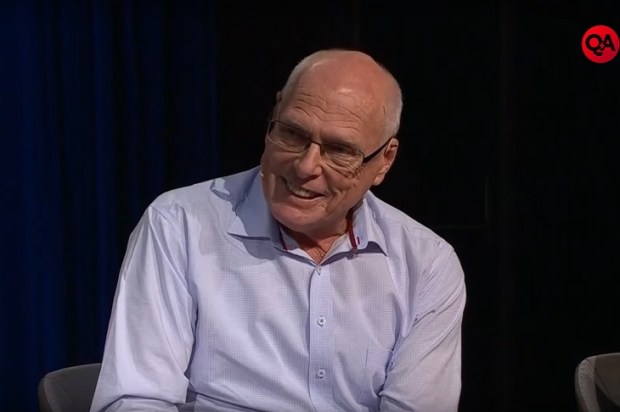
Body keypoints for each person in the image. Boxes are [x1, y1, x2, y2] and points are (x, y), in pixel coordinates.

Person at [90, 48, 467, 412]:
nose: (305, 166)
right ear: (275, 112)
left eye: (339, 150)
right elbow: (136, 400)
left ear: (384, 160)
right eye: (293, 134)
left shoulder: (427, 264)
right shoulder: (179, 225)